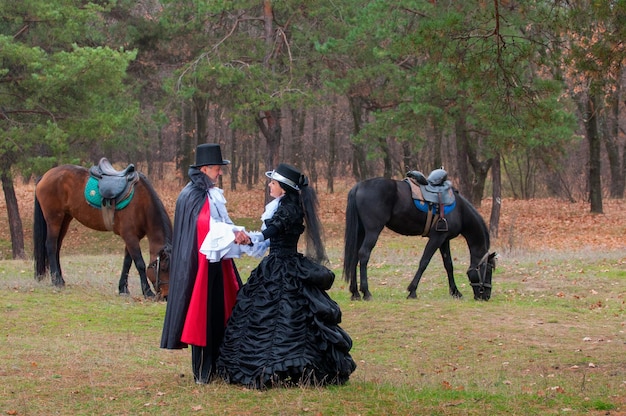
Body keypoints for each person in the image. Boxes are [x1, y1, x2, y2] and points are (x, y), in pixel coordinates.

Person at [216, 163, 357, 388]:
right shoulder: (283, 205)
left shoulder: (289, 208)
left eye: (273, 182)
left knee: (286, 317)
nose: (269, 185)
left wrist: (249, 238)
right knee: (270, 314)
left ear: (283, 187)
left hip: (284, 264)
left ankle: (282, 365)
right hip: (278, 263)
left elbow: (269, 233)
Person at [160, 143, 248, 384]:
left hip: (217, 263)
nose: (220, 173)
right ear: (206, 169)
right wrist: (232, 232)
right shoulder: (192, 195)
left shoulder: (210, 193)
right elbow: (203, 225)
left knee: (218, 314)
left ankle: (218, 366)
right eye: (218, 169)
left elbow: (222, 221)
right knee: (201, 316)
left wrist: (239, 232)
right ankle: (202, 372)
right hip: (199, 267)